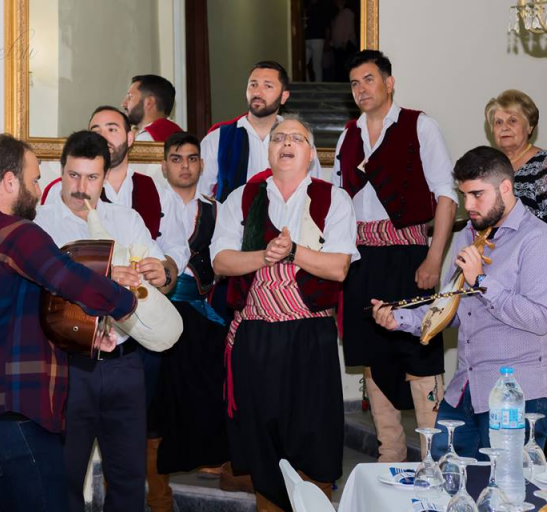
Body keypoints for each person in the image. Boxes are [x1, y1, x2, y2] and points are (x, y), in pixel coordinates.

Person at [0, 133, 137, 511]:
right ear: (9, 181)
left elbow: (22, 308)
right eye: (33, 180)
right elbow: (69, 278)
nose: (37, 188)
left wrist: (86, 336)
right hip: (13, 415)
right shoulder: (15, 232)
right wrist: (125, 303)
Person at [372, 146, 547, 459]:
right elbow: (454, 308)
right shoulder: (468, 235)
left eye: (477, 195)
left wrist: (481, 281)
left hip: (520, 396)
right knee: (444, 477)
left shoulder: (540, 240)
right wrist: (401, 319)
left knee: (505, 486)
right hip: (465, 388)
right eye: (464, 195)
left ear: (505, 188)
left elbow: (540, 319)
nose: (468, 205)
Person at [212, 116, 359, 511]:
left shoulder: (333, 199)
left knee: (313, 432)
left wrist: (293, 252)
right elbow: (221, 262)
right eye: (278, 138)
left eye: (297, 138)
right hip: (255, 335)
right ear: (269, 149)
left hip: (310, 336)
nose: (286, 143)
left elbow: (338, 268)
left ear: (311, 154)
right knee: (261, 435)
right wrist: (265, 255)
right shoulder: (242, 197)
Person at [333, 49, 458, 462]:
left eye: (369, 79)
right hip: (360, 259)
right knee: (372, 353)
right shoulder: (348, 136)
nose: (361, 89)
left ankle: (435, 458)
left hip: (410, 255)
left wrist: (434, 259)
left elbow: (445, 195)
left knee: (420, 351)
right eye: (354, 83)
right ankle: (391, 455)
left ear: (389, 83)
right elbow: (338, 205)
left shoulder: (420, 125)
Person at [34, 130, 169, 512]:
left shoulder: (126, 220)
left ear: (105, 177)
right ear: (61, 171)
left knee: (129, 479)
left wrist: (161, 273)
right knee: (64, 477)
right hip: (67, 366)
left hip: (124, 364)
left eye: (92, 177)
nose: (81, 187)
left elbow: (158, 278)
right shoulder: (40, 224)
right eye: (73, 175)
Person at [144, 132, 231, 512]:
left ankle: (215, 461)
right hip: (154, 315)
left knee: (209, 391)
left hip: (201, 314)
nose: (185, 165)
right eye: (176, 158)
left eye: (192, 158)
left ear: (201, 164)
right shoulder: (149, 205)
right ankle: (158, 492)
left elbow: (227, 257)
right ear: (164, 165)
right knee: (156, 403)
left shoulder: (217, 209)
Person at [41, 106, 189, 286]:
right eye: (96, 131)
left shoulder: (133, 214)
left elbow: (172, 255)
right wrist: (102, 276)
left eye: (111, 129)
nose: (81, 187)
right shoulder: (41, 219)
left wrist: (163, 274)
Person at [198, 61, 322, 201]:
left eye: (267, 86)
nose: (257, 92)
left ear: (283, 96)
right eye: (253, 85)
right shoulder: (218, 139)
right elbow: (201, 196)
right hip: (234, 215)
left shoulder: (301, 140)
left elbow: (315, 192)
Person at [485, 89, 547, 227]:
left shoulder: (546, 165)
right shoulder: (489, 168)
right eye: (498, 122)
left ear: (530, 126)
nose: (504, 128)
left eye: (512, 121)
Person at [121, 74, 183, 142]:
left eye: (130, 97)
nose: (123, 104)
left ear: (149, 102)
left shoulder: (146, 139)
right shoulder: (178, 134)